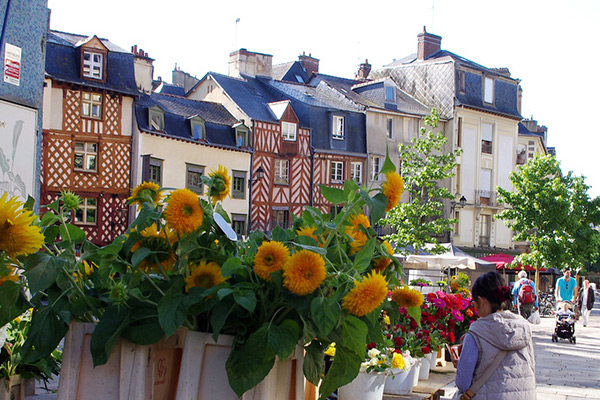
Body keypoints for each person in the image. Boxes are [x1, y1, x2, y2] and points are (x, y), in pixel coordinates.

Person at [455, 272, 536, 399]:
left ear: (480, 301)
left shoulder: (477, 331)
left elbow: (463, 384)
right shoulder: (523, 327)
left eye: (473, 302)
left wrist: (461, 365)